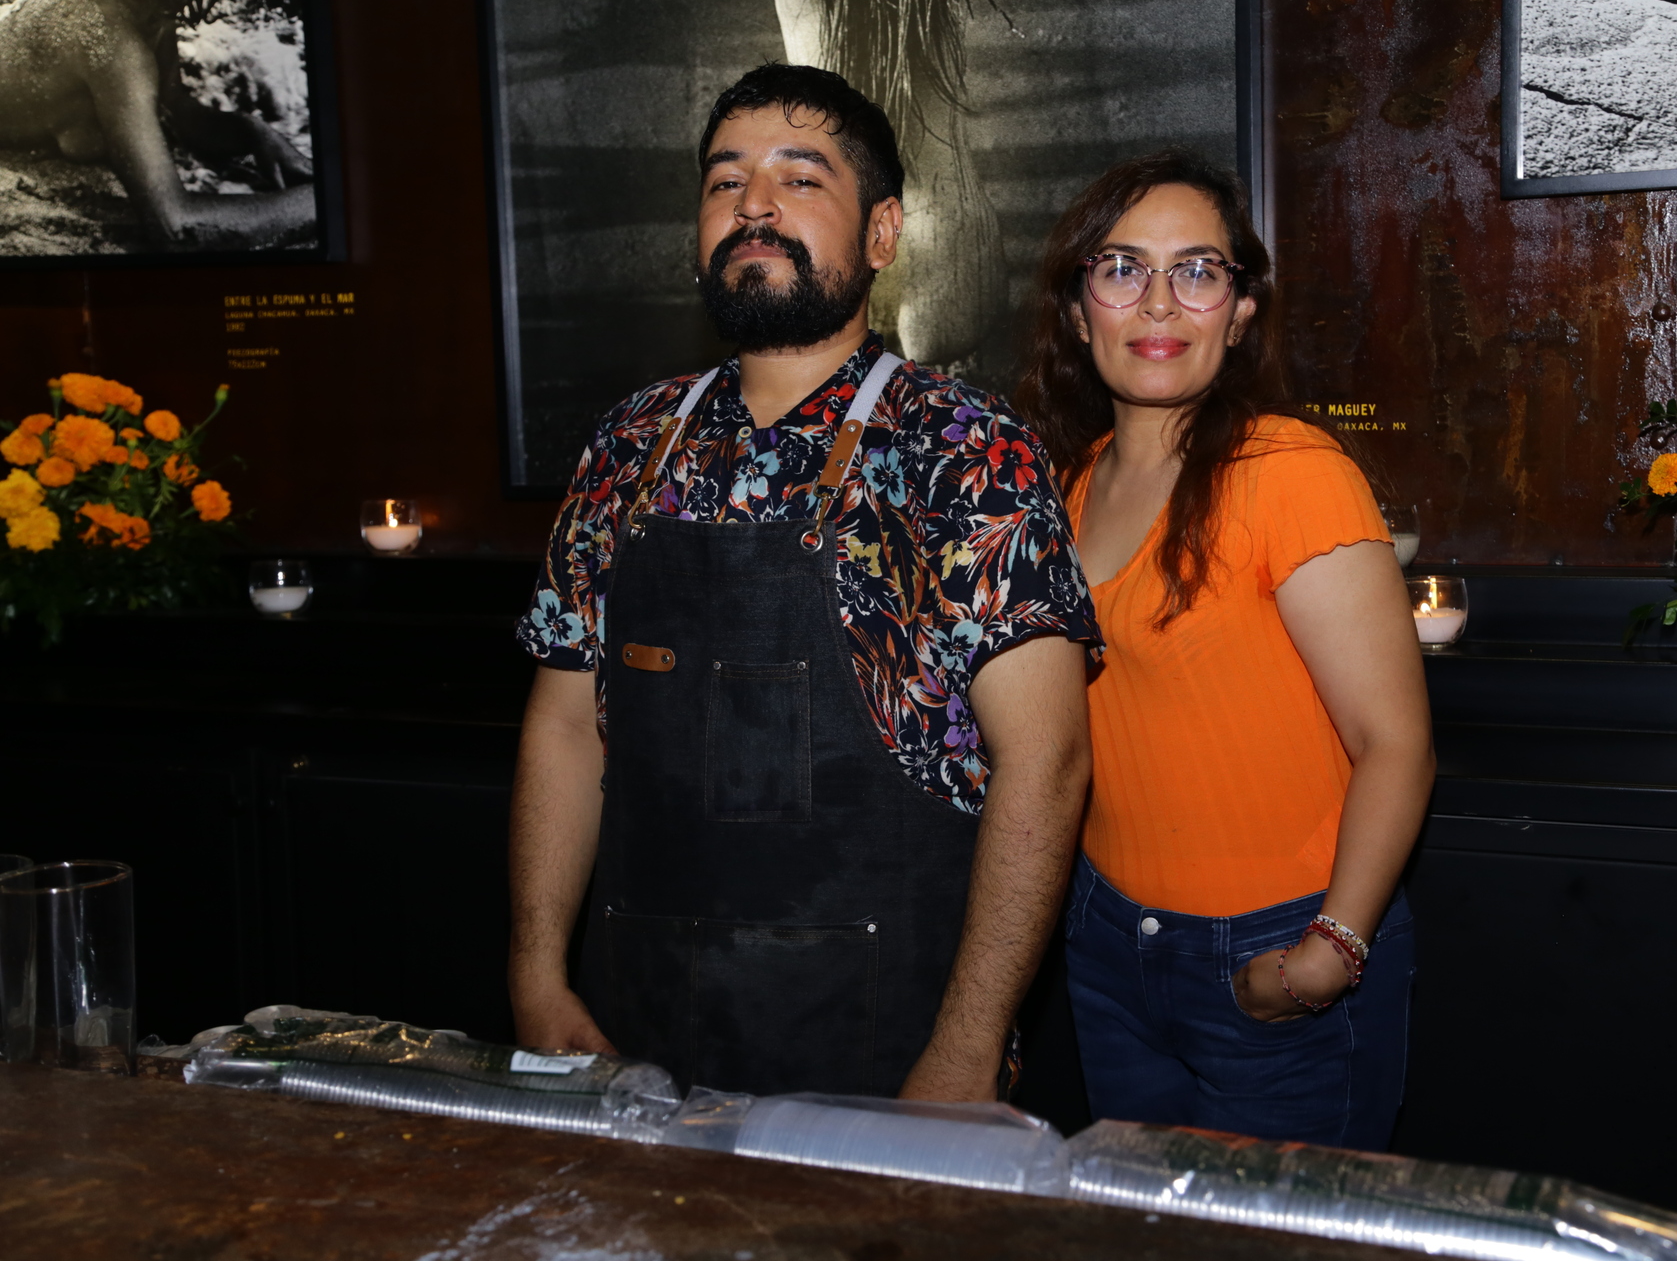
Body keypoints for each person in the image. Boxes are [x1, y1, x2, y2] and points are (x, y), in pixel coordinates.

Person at [509, 64, 1099, 1103]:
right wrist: (534, 973)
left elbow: (1046, 762)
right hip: (631, 1029)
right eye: (725, 181)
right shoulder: (630, 442)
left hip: (887, 1039)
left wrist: (968, 1047)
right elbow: (564, 725)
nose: (754, 206)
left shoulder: (965, 448)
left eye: (800, 178)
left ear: (883, 232)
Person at [1015, 149, 1434, 1147]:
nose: (1159, 302)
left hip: (1280, 947)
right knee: (1146, 1222)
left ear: (1240, 311)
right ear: (1078, 308)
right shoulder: (1068, 486)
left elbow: (1397, 744)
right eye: (1122, 268)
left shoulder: (1289, 470)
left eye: (1197, 271)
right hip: (1108, 942)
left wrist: (1327, 955)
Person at [0, 0, 315, 249]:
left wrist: (252, 133)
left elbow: (175, 109)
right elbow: (176, 229)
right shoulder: (115, 45)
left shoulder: (142, 7)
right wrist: (317, 202)